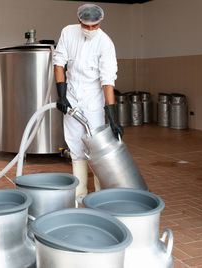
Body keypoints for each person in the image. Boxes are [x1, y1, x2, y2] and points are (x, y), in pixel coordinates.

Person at [53, 3, 123, 199]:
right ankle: (80, 193)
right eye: (87, 26)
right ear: (79, 21)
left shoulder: (105, 43)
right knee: (75, 145)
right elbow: (59, 64)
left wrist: (112, 116)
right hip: (72, 95)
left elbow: (107, 80)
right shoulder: (68, 32)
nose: (91, 30)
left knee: (97, 145)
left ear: (101, 22)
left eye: (95, 26)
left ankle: (100, 194)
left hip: (93, 98)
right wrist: (62, 95)